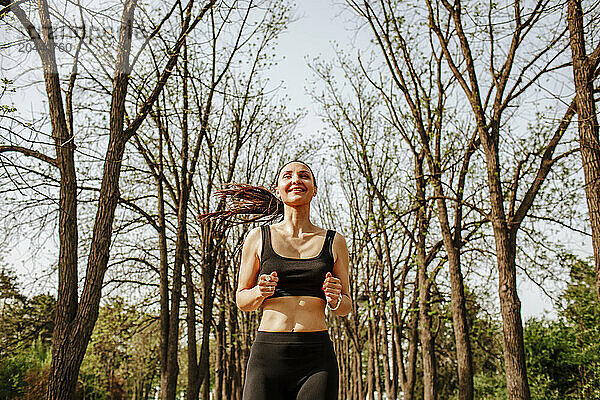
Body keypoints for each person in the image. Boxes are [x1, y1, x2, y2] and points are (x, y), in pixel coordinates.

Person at [205, 161, 351, 400]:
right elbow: (242, 300)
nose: (296, 180)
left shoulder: (334, 241)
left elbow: (346, 307)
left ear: (314, 189)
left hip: (316, 358)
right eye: (288, 176)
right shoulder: (258, 238)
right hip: (268, 356)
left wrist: (335, 299)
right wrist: (259, 292)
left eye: (304, 176)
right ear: (278, 188)